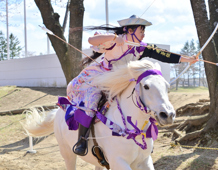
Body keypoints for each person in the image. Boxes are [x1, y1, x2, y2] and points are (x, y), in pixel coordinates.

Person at [57, 15, 198, 156]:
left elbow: (163, 54)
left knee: (141, 101)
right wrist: (112, 38)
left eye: (144, 31)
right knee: (92, 101)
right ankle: (82, 139)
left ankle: (145, 138)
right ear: (130, 30)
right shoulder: (116, 40)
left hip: (123, 80)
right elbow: (91, 40)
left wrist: (186, 59)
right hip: (101, 77)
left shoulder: (142, 48)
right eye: (141, 31)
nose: (144, 34)